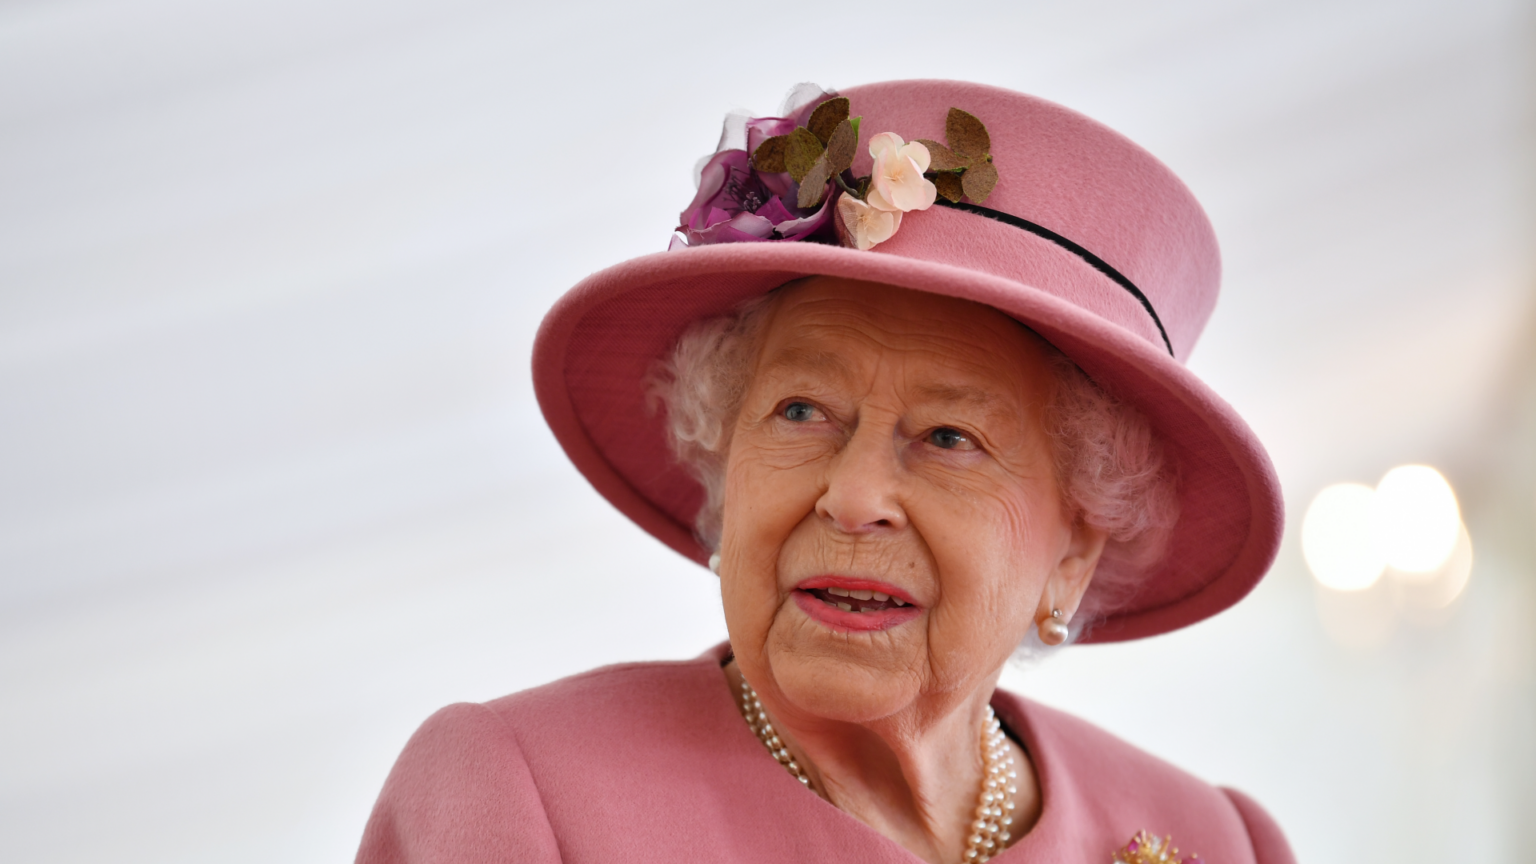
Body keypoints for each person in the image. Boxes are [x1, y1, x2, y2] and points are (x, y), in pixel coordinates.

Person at [355, 79, 1293, 864]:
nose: (852, 497)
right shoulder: (522, 794)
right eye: (801, 412)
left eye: (949, 437)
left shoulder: (1218, 841)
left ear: (1076, 547)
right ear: (725, 469)